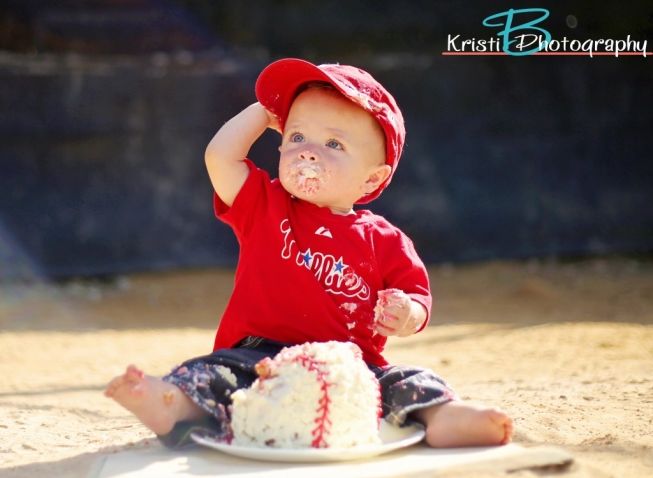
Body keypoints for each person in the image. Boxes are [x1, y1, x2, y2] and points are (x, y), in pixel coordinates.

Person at [105, 58, 513, 448]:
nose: (308, 151)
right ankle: (171, 405)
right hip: (256, 359)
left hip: (350, 369)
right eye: (297, 136)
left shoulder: (385, 239)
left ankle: (444, 418)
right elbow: (220, 157)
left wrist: (406, 314)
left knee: (410, 381)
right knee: (207, 375)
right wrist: (265, 111)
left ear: (373, 177)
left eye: (334, 143)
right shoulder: (265, 205)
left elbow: (419, 302)